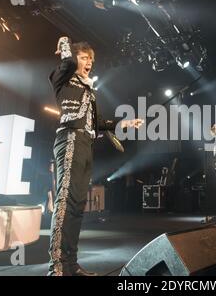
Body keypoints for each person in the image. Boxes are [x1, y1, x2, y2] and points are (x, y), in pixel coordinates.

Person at [47, 36, 143, 276]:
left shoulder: (89, 90)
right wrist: (65, 42)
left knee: (78, 206)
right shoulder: (62, 78)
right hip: (69, 139)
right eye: (84, 57)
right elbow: (67, 62)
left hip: (86, 143)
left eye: (91, 59)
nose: (89, 62)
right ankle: (57, 265)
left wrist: (123, 123)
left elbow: (97, 122)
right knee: (66, 202)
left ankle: (71, 264)